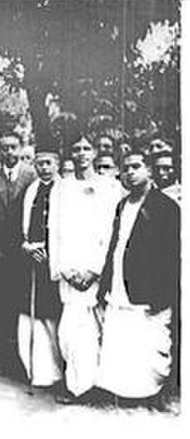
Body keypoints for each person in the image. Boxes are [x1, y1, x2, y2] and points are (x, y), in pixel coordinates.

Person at [96, 152, 180, 408]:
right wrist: (106, 283)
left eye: (136, 166)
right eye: (126, 168)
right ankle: (123, 391)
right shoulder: (122, 205)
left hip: (149, 287)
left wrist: (163, 294)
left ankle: (154, 393)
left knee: (151, 339)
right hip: (121, 281)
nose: (131, 172)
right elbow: (116, 245)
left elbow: (170, 256)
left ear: (149, 171)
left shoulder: (166, 207)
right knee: (123, 336)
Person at [48, 132, 122, 404]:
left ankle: (88, 387)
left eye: (86, 148)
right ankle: (77, 383)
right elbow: (54, 230)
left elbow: (109, 231)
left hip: (95, 271)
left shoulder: (109, 187)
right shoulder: (61, 187)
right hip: (69, 270)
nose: (81, 153)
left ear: (94, 153)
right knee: (69, 330)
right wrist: (63, 269)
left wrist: (94, 270)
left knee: (93, 328)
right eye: (76, 148)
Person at [0, 132, 36, 377]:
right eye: (4, 148)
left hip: (22, 255)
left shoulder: (31, 177)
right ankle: (1, 358)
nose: (9, 153)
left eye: (13, 147)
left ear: (20, 148)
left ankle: (21, 359)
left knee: (20, 305)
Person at [17, 141, 63, 389]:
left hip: (53, 261)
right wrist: (27, 246)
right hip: (31, 261)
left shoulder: (65, 189)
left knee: (51, 314)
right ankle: (37, 370)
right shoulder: (31, 189)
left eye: (48, 163)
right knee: (30, 313)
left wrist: (51, 251)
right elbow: (21, 228)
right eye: (40, 163)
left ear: (56, 164)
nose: (44, 168)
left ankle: (56, 371)